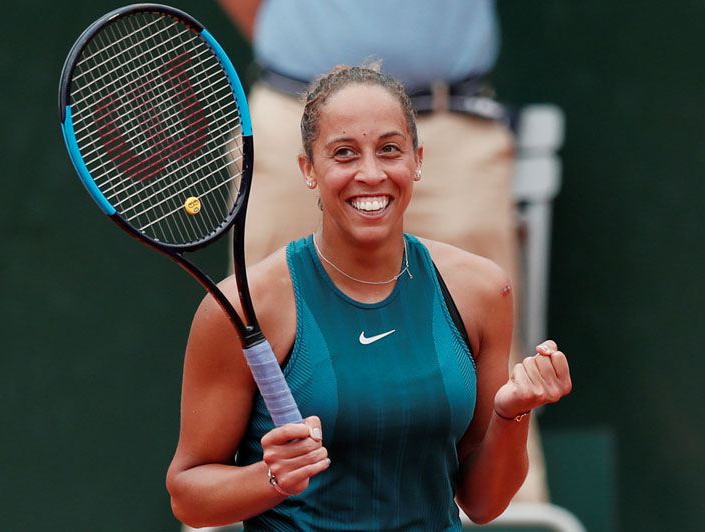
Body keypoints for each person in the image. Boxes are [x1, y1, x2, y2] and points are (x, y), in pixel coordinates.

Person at [166, 65, 571, 531]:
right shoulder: (245, 306)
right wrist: (272, 477)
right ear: (308, 169)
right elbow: (189, 497)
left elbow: (483, 504)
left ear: (417, 160)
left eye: (389, 149)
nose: (371, 173)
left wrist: (511, 413)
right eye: (344, 153)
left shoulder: (481, 291)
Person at [216, 0, 552, 503]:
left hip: (450, 120)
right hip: (294, 107)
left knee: (495, 379)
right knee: (254, 350)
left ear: (414, 161)